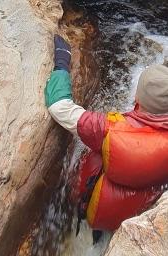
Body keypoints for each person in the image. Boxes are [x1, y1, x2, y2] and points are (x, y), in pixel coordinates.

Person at [45, 35, 168, 238]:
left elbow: (59, 107)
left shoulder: (109, 130)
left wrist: (62, 61)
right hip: (136, 213)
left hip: (95, 209)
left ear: (137, 98)